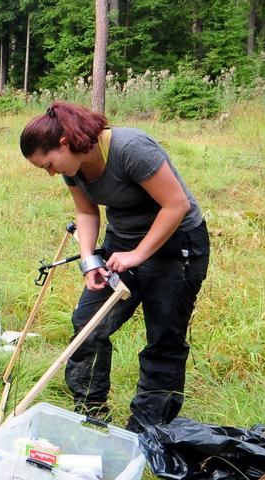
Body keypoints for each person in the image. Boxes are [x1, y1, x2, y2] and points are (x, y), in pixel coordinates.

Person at [19, 101, 209, 432]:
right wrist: (90, 259)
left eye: (48, 164)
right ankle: (90, 413)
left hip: (178, 247)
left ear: (65, 143)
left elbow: (176, 205)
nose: (50, 173)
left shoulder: (131, 148)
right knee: (89, 323)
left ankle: (149, 430)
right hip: (123, 243)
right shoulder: (73, 167)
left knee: (164, 336)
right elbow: (87, 213)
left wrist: (138, 254)